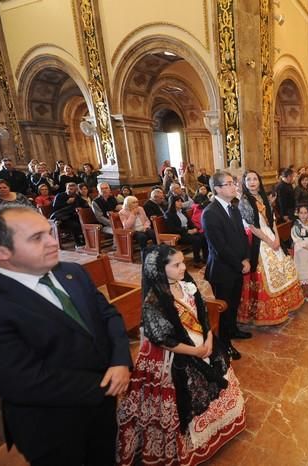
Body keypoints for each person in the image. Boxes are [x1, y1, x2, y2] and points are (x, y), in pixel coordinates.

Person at [0, 205, 131, 465]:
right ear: (1, 252)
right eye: (36, 238)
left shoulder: (72, 272)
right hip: (52, 424)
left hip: (101, 407)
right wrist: (108, 385)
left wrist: (121, 360)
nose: (53, 241)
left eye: (48, 232)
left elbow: (108, 315)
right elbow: (23, 381)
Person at [116, 245, 245, 465]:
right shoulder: (154, 301)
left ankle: (218, 428)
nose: (183, 267)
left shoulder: (187, 285)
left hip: (203, 346)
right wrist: (195, 351)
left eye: (182, 262)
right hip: (174, 357)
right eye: (176, 265)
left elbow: (203, 314)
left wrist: (209, 340)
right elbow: (163, 340)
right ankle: (191, 445)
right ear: (160, 269)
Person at [237, 170, 304, 325]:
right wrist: (269, 241)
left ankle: (284, 305)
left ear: (259, 181)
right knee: (266, 273)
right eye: (248, 179)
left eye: (255, 178)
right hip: (258, 241)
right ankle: (265, 312)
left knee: (283, 269)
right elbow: (252, 227)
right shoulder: (245, 200)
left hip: (272, 236)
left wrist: (277, 238)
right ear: (245, 183)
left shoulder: (263, 197)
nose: (252, 182)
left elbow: (272, 220)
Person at [202, 171, 251, 360]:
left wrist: (246, 258)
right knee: (224, 308)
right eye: (229, 184)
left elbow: (242, 236)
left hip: (238, 266)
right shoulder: (210, 213)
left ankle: (233, 330)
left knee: (234, 304)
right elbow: (219, 247)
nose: (234, 186)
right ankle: (224, 344)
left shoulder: (234, 208)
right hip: (222, 270)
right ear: (217, 189)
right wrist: (239, 264)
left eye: (233, 183)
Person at [165, 195, 205, 265]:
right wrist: (187, 231)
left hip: (188, 232)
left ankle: (205, 257)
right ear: (172, 202)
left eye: (181, 201)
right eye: (178, 201)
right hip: (179, 235)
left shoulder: (182, 211)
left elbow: (190, 222)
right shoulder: (169, 214)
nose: (180, 203)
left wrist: (194, 228)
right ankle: (197, 260)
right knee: (196, 239)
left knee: (204, 236)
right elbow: (172, 229)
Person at [292, 204, 308, 302]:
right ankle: (305, 294)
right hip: (302, 252)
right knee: (304, 272)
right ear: (298, 214)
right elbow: (296, 239)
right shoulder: (296, 225)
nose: (303, 215)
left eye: (305, 213)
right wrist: (307, 246)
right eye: (301, 213)